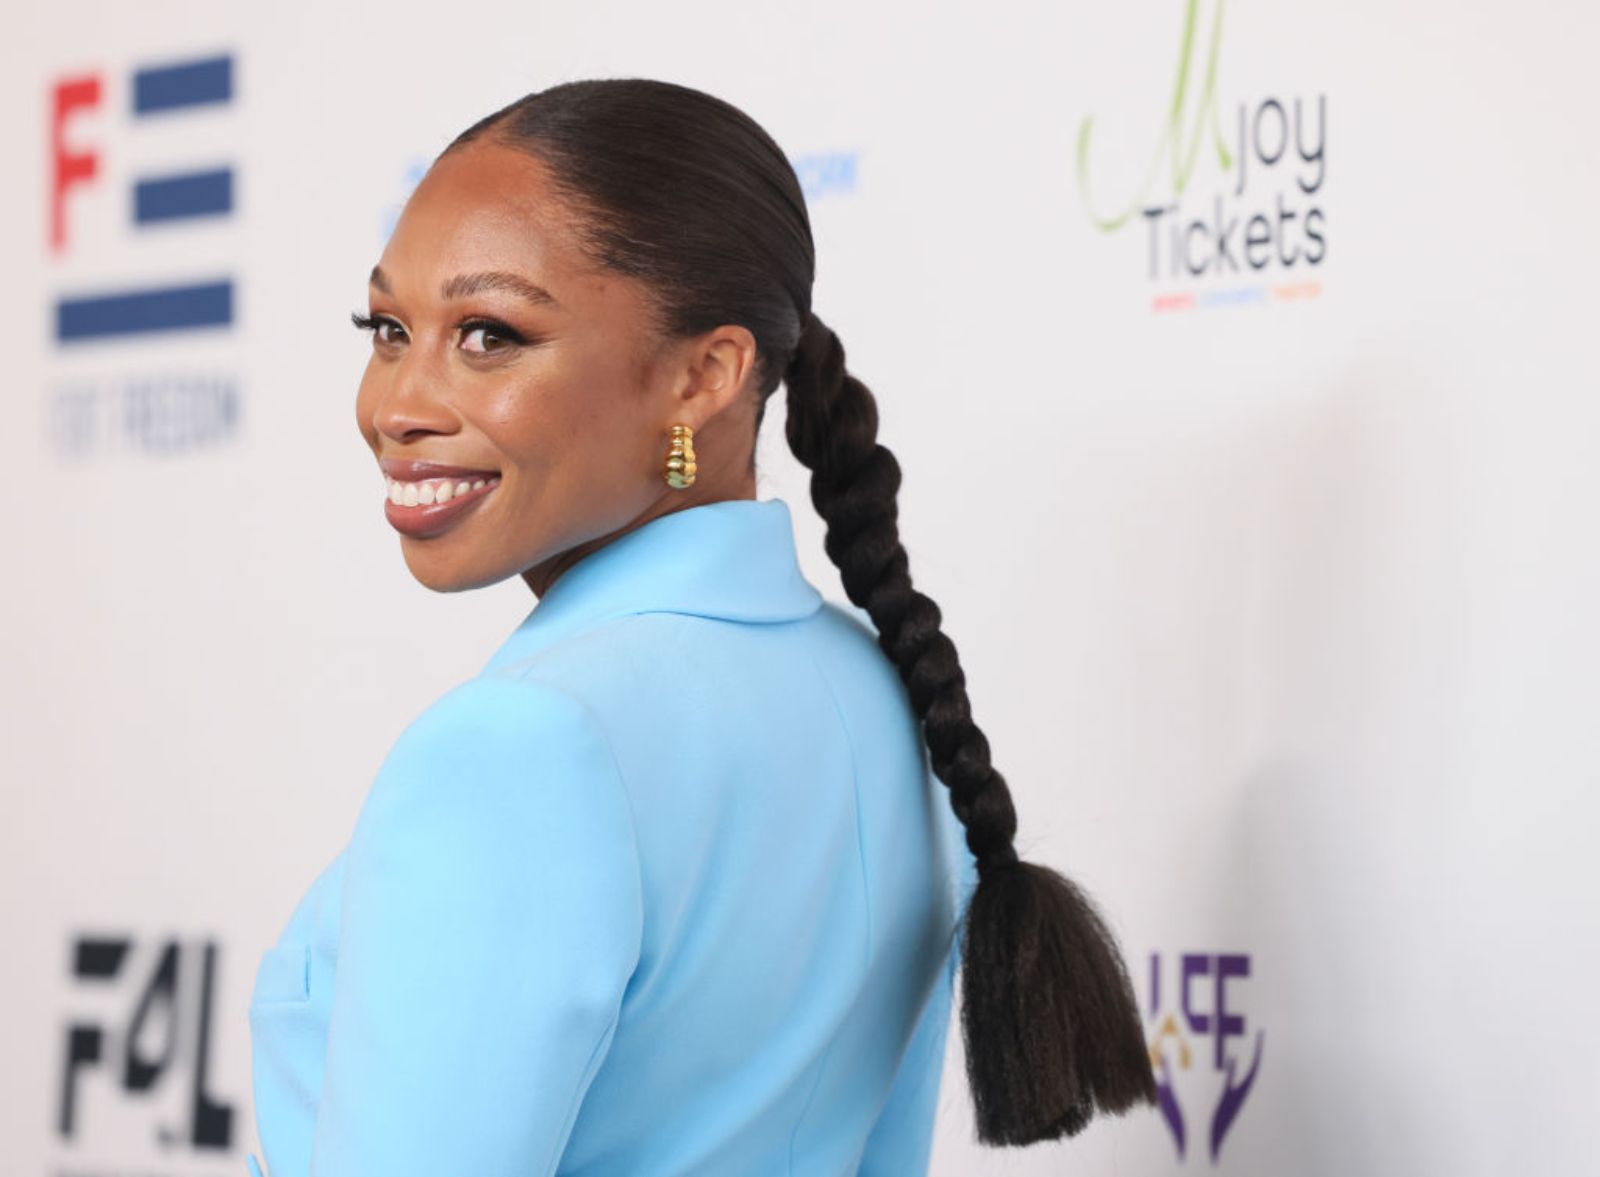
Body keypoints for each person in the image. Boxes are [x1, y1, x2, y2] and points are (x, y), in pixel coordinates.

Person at [246, 77, 1156, 1177]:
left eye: (488, 334)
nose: (396, 402)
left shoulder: (519, 745)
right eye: (389, 328)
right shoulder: (886, 703)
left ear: (703, 377)